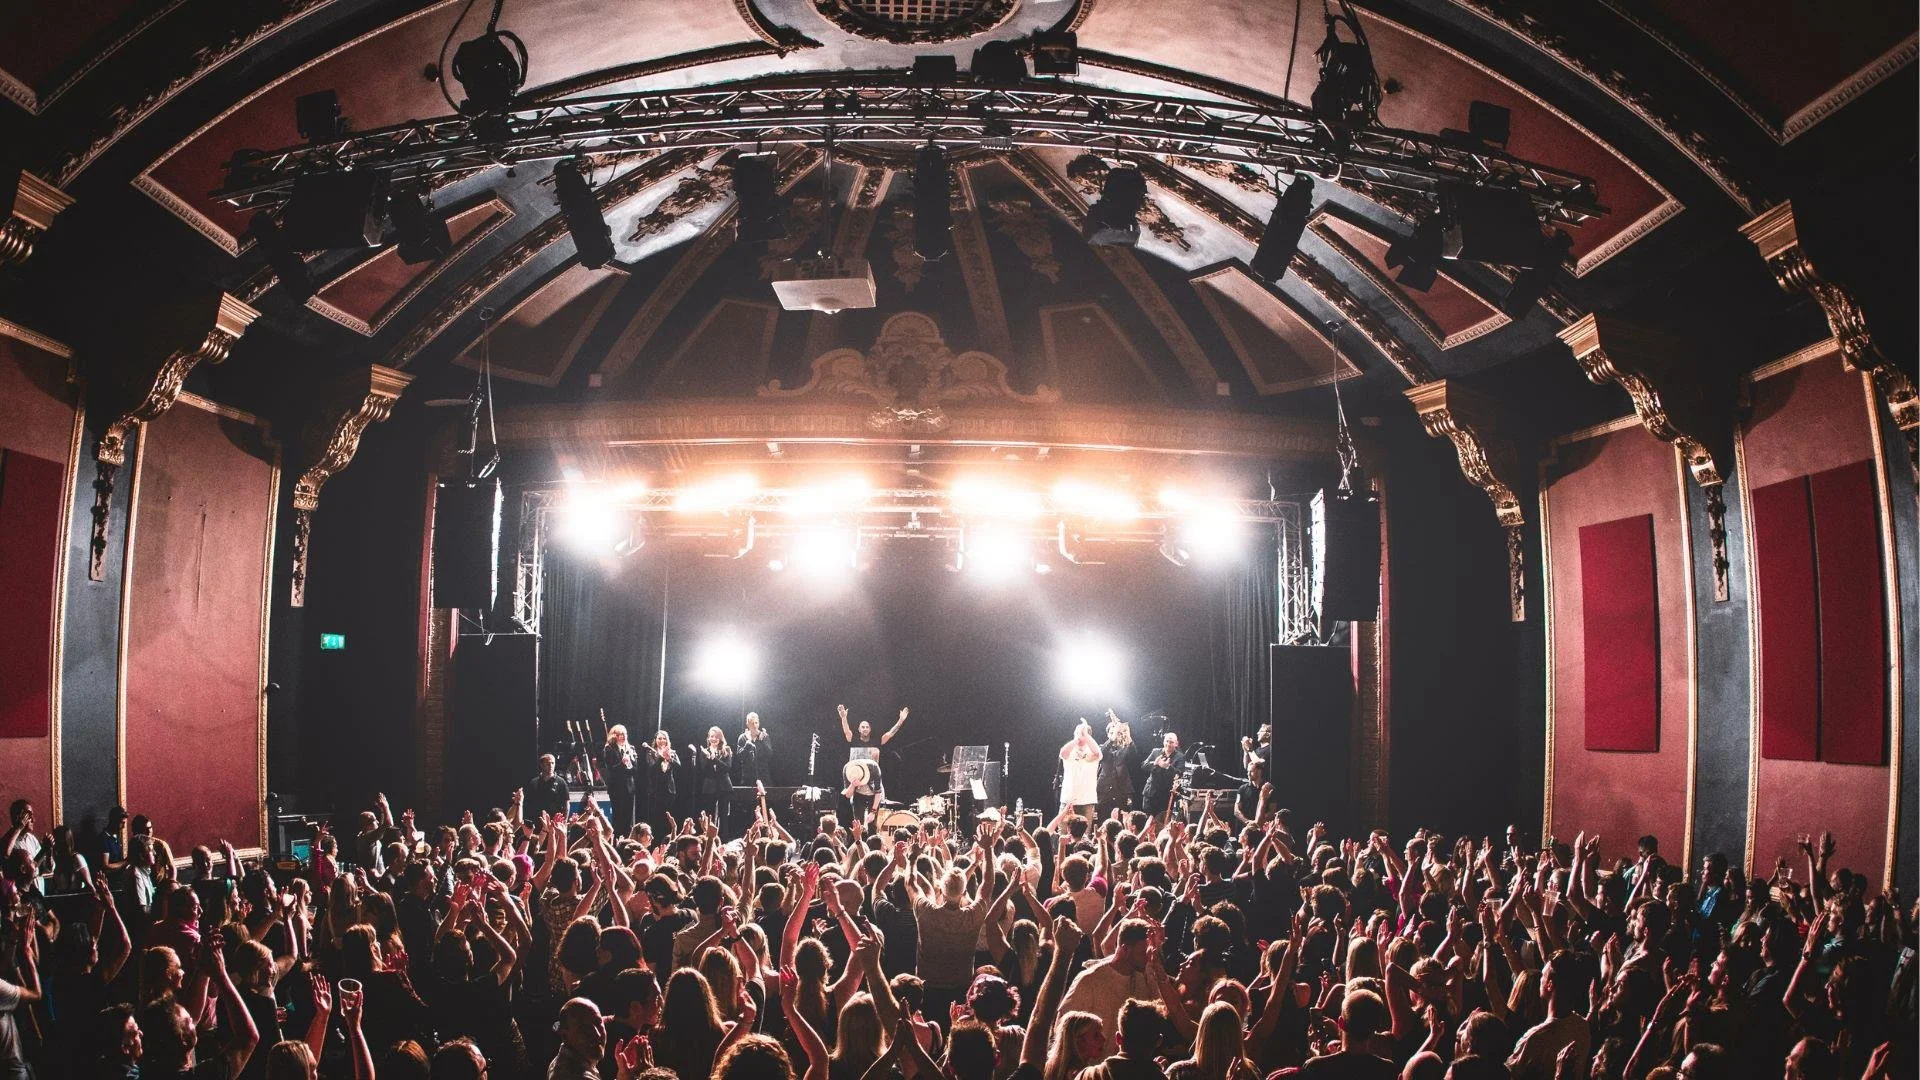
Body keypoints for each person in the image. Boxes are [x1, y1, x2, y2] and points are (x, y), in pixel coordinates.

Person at [1095, 712, 1136, 818]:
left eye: (1117, 733)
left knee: (1122, 820)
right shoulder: (1102, 747)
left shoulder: (1125, 748)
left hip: (1122, 790)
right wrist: (1112, 737)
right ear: (1108, 734)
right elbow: (1101, 754)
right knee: (1102, 819)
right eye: (1112, 732)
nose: (1116, 734)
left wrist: (1127, 734)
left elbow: (1134, 755)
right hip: (1104, 790)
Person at [603, 727, 642, 837]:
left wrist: (629, 765)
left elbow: (635, 769)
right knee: (618, 817)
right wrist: (622, 763)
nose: (623, 736)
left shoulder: (631, 748)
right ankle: (617, 841)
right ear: (614, 736)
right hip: (616, 788)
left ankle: (626, 841)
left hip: (629, 788)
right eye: (620, 734)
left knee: (628, 818)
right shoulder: (609, 749)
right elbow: (611, 769)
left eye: (624, 733)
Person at [1057, 722, 1101, 818]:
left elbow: (1097, 754)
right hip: (1068, 800)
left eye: (1082, 734)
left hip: (1087, 800)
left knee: (1085, 832)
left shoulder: (1093, 751)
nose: (1079, 736)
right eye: (1077, 733)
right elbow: (1063, 753)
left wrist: (1085, 735)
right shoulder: (1070, 749)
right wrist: (1077, 739)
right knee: (1064, 832)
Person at [643, 732, 681, 835]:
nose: (662, 741)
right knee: (655, 818)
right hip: (655, 790)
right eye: (659, 738)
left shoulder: (672, 752)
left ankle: (667, 839)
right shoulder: (651, 752)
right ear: (655, 740)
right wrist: (660, 757)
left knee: (668, 817)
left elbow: (679, 767)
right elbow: (651, 768)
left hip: (669, 790)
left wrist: (669, 758)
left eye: (664, 738)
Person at [695, 727, 734, 826]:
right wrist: (708, 759)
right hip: (709, 787)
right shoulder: (705, 751)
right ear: (708, 738)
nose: (714, 739)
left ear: (720, 738)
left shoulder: (727, 749)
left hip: (724, 787)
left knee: (724, 816)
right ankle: (710, 839)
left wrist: (714, 758)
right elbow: (704, 770)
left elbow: (727, 767)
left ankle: (724, 840)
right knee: (710, 815)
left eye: (717, 737)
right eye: (712, 736)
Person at [1141, 733, 1184, 818]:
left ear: (1176, 743)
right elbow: (1143, 765)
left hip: (1165, 796)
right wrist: (1155, 763)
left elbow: (1179, 774)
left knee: (1161, 821)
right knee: (1147, 819)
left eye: (1171, 742)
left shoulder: (1180, 757)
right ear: (1163, 741)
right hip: (1150, 793)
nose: (1168, 744)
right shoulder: (1155, 751)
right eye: (1167, 741)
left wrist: (1168, 766)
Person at [528, 754, 573, 824]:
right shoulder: (534, 783)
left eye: (553, 763)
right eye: (548, 764)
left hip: (555, 823)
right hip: (538, 823)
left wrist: (565, 821)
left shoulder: (561, 782)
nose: (551, 766)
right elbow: (529, 804)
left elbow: (566, 803)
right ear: (541, 765)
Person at [736, 714, 774, 788]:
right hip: (748, 778)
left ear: (759, 724)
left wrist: (762, 740)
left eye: (756, 723)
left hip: (763, 777)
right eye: (751, 723)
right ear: (747, 724)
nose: (754, 725)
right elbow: (740, 756)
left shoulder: (765, 736)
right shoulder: (742, 737)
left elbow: (769, 755)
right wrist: (747, 744)